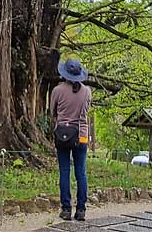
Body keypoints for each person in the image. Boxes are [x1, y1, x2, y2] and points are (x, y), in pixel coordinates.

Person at [50, 58, 92, 221]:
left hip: (63, 134)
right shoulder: (87, 91)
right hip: (81, 135)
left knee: (65, 171)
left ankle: (66, 208)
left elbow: (53, 112)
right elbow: (87, 110)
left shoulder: (57, 90)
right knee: (81, 171)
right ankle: (81, 209)